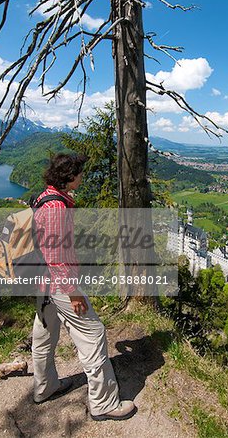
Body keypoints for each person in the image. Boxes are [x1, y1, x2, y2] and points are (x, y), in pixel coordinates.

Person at [31, 153, 136, 421]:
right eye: (79, 173)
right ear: (70, 177)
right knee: (93, 335)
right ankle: (104, 403)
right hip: (60, 285)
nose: (82, 177)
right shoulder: (56, 207)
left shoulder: (45, 197)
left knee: (44, 336)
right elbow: (56, 255)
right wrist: (74, 293)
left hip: (44, 284)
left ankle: (45, 387)